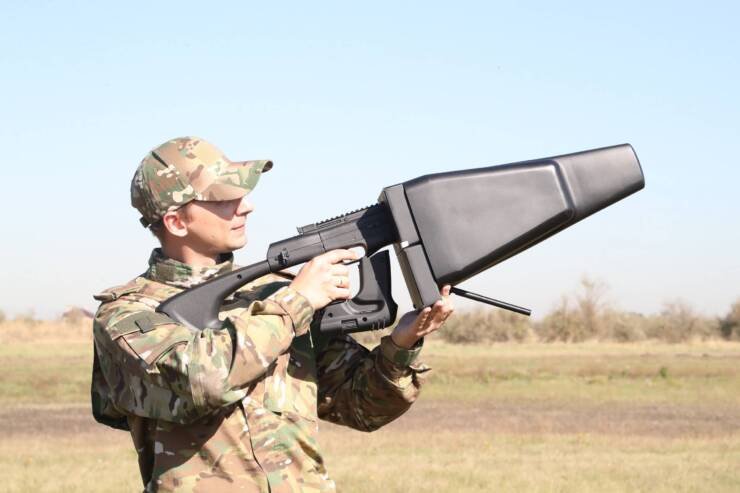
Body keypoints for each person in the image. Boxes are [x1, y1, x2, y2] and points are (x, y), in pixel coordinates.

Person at [91, 136, 454, 492]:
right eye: (224, 198)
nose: (246, 206)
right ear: (176, 222)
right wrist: (296, 303)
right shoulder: (127, 315)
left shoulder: (273, 294)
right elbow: (204, 380)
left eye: (242, 195)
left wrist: (401, 345)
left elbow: (361, 406)